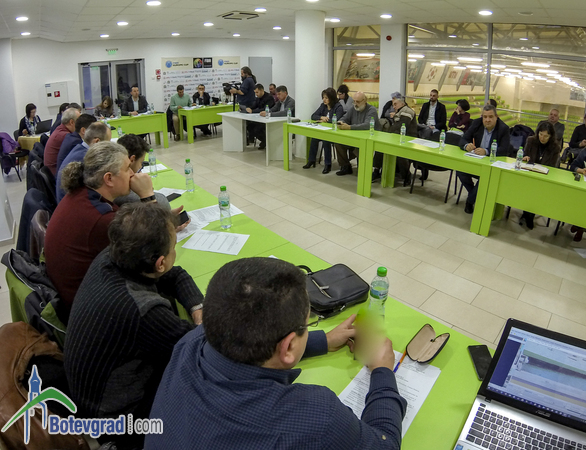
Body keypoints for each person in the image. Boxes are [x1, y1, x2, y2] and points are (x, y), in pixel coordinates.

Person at [146, 257, 406, 450]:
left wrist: (323, 341)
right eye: (308, 323)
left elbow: (240, 336)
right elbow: (384, 445)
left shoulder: (189, 342)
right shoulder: (317, 417)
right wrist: (383, 371)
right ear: (289, 346)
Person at [65, 202, 203, 450]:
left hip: (91, 395)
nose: (175, 253)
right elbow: (201, 347)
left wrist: (197, 306)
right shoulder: (144, 312)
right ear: (160, 263)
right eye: (174, 247)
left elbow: (175, 274)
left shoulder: (112, 257)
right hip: (119, 422)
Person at [45, 141, 156, 310]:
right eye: (127, 168)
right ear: (109, 178)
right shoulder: (101, 219)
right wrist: (148, 197)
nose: (133, 173)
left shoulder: (81, 193)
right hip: (89, 309)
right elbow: (154, 248)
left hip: (76, 294)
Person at [457, 104, 510, 214]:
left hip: (491, 166)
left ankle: (470, 201)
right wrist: (466, 145)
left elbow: (505, 150)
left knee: (485, 178)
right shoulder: (476, 123)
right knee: (460, 170)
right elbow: (463, 139)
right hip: (476, 161)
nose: (487, 120)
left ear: (496, 117)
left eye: (490, 117)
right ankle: (474, 194)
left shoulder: (503, 128)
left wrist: (486, 151)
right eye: (485, 117)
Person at [55, 122, 111, 203]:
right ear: (97, 142)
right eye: (108, 143)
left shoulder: (79, 149)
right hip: (73, 205)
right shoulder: (86, 159)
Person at [520, 121, 561, 229]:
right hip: (529, 174)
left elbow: (552, 167)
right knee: (527, 187)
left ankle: (529, 215)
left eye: (545, 136)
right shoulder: (531, 141)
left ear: (550, 136)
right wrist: (525, 158)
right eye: (540, 134)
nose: (542, 138)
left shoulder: (555, 147)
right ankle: (527, 213)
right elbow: (525, 155)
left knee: (536, 191)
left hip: (543, 178)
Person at [372, 96, 418, 182]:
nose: (394, 106)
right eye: (393, 105)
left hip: (408, 138)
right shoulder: (400, 111)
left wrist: (389, 133)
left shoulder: (407, 111)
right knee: (380, 146)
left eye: (395, 104)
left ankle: (406, 175)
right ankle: (376, 170)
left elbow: (401, 125)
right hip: (397, 137)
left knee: (399, 153)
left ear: (402, 103)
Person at [334, 92, 380, 176]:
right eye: (354, 101)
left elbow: (367, 125)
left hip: (368, 139)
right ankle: (345, 166)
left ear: (364, 101)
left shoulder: (371, 110)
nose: (355, 104)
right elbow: (344, 118)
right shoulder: (353, 108)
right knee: (338, 142)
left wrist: (349, 127)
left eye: (358, 102)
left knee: (360, 148)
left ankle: (363, 170)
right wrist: (341, 122)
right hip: (354, 136)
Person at [303, 88, 344, 173]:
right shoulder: (323, 106)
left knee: (326, 140)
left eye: (326, 98)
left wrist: (325, 120)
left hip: (334, 132)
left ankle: (327, 164)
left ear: (331, 98)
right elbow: (313, 116)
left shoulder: (338, 107)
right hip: (324, 130)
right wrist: (321, 117)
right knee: (314, 139)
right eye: (323, 97)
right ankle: (311, 160)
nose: (324, 100)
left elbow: (337, 120)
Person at [44, 107, 81, 175]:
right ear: (72, 122)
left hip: (52, 170)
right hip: (56, 173)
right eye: (79, 121)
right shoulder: (65, 136)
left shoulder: (60, 129)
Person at [246, 84, 276, 149]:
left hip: (268, 119)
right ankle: (264, 140)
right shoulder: (258, 98)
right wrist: (248, 108)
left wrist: (252, 111)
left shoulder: (269, 98)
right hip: (259, 118)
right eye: (255, 93)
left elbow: (265, 109)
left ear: (262, 90)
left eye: (257, 92)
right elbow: (254, 106)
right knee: (249, 126)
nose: (256, 94)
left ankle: (265, 141)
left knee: (257, 129)